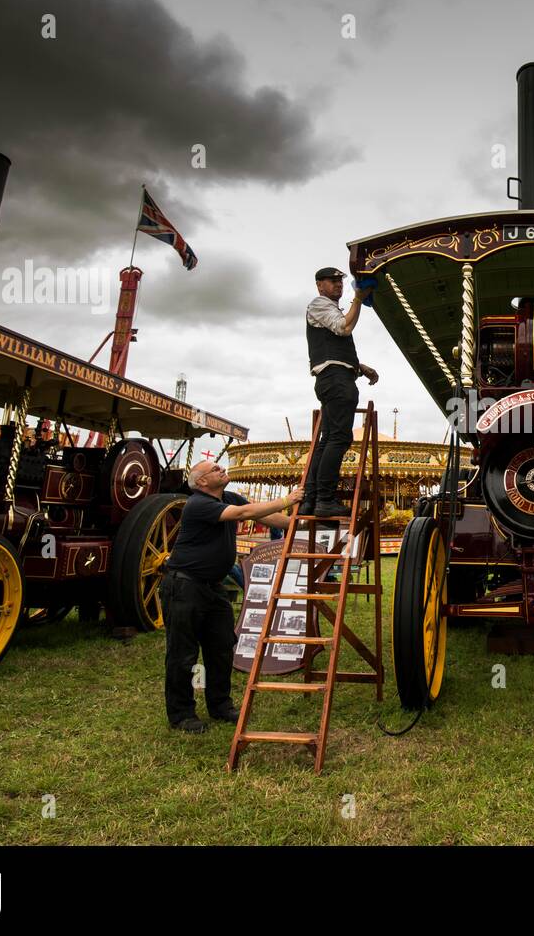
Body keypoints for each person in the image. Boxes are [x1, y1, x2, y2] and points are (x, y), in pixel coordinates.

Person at [160, 460, 303, 733]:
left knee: (222, 646)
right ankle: (182, 714)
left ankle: (220, 705)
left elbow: (265, 517)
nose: (221, 470)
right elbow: (244, 512)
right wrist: (288, 498)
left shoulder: (229, 497)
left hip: (212, 587)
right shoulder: (198, 503)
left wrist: (302, 523)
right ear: (201, 482)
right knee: (183, 653)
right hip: (185, 586)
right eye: (214, 469)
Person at [301, 267, 379, 519]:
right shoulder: (319, 304)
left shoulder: (327, 308)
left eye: (340, 281)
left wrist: (360, 367)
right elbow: (343, 328)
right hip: (336, 381)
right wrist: (358, 298)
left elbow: (335, 344)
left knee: (328, 439)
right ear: (319, 285)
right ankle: (325, 499)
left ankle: (311, 499)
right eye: (332, 281)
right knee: (339, 439)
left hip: (334, 378)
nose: (338, 285)